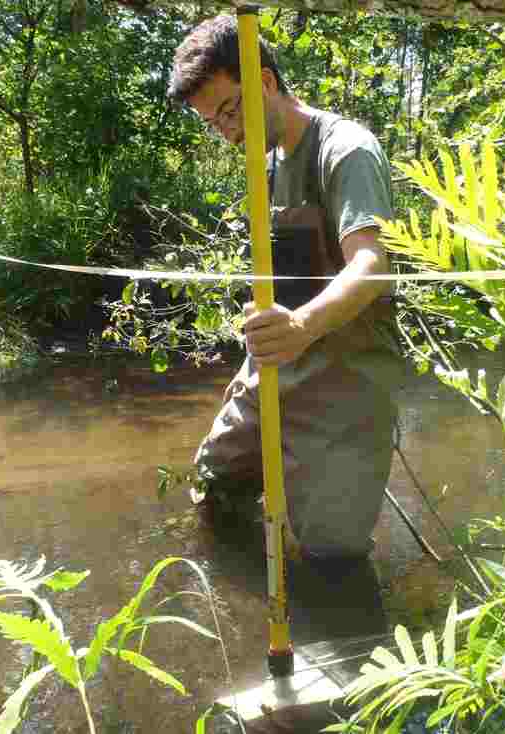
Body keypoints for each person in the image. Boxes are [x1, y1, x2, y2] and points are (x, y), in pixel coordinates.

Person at [168, 14, 401, 561]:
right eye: (212, 120)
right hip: (275, 369)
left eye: (229, 109)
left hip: (346, 384)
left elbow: (372, 263)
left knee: (331, 554)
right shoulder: (265, 162)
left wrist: (301, 326)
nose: (225, 129)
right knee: (215, 488)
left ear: (267, 83)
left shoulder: (345, 150)